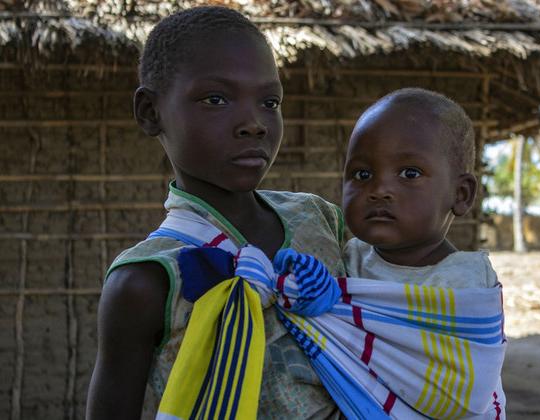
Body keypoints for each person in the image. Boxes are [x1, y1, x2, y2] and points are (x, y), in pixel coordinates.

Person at [86, 6, 346, 419]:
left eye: (270, 101)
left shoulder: (320, 220)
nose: (254, 123)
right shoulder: (147, 280)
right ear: (150, 112)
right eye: (216, 99)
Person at [343, 88, 499, 290]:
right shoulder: (343, 261)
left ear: (461, 194)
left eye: (410, 174)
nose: (379, 190)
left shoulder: (468, 281)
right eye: (362, 174)